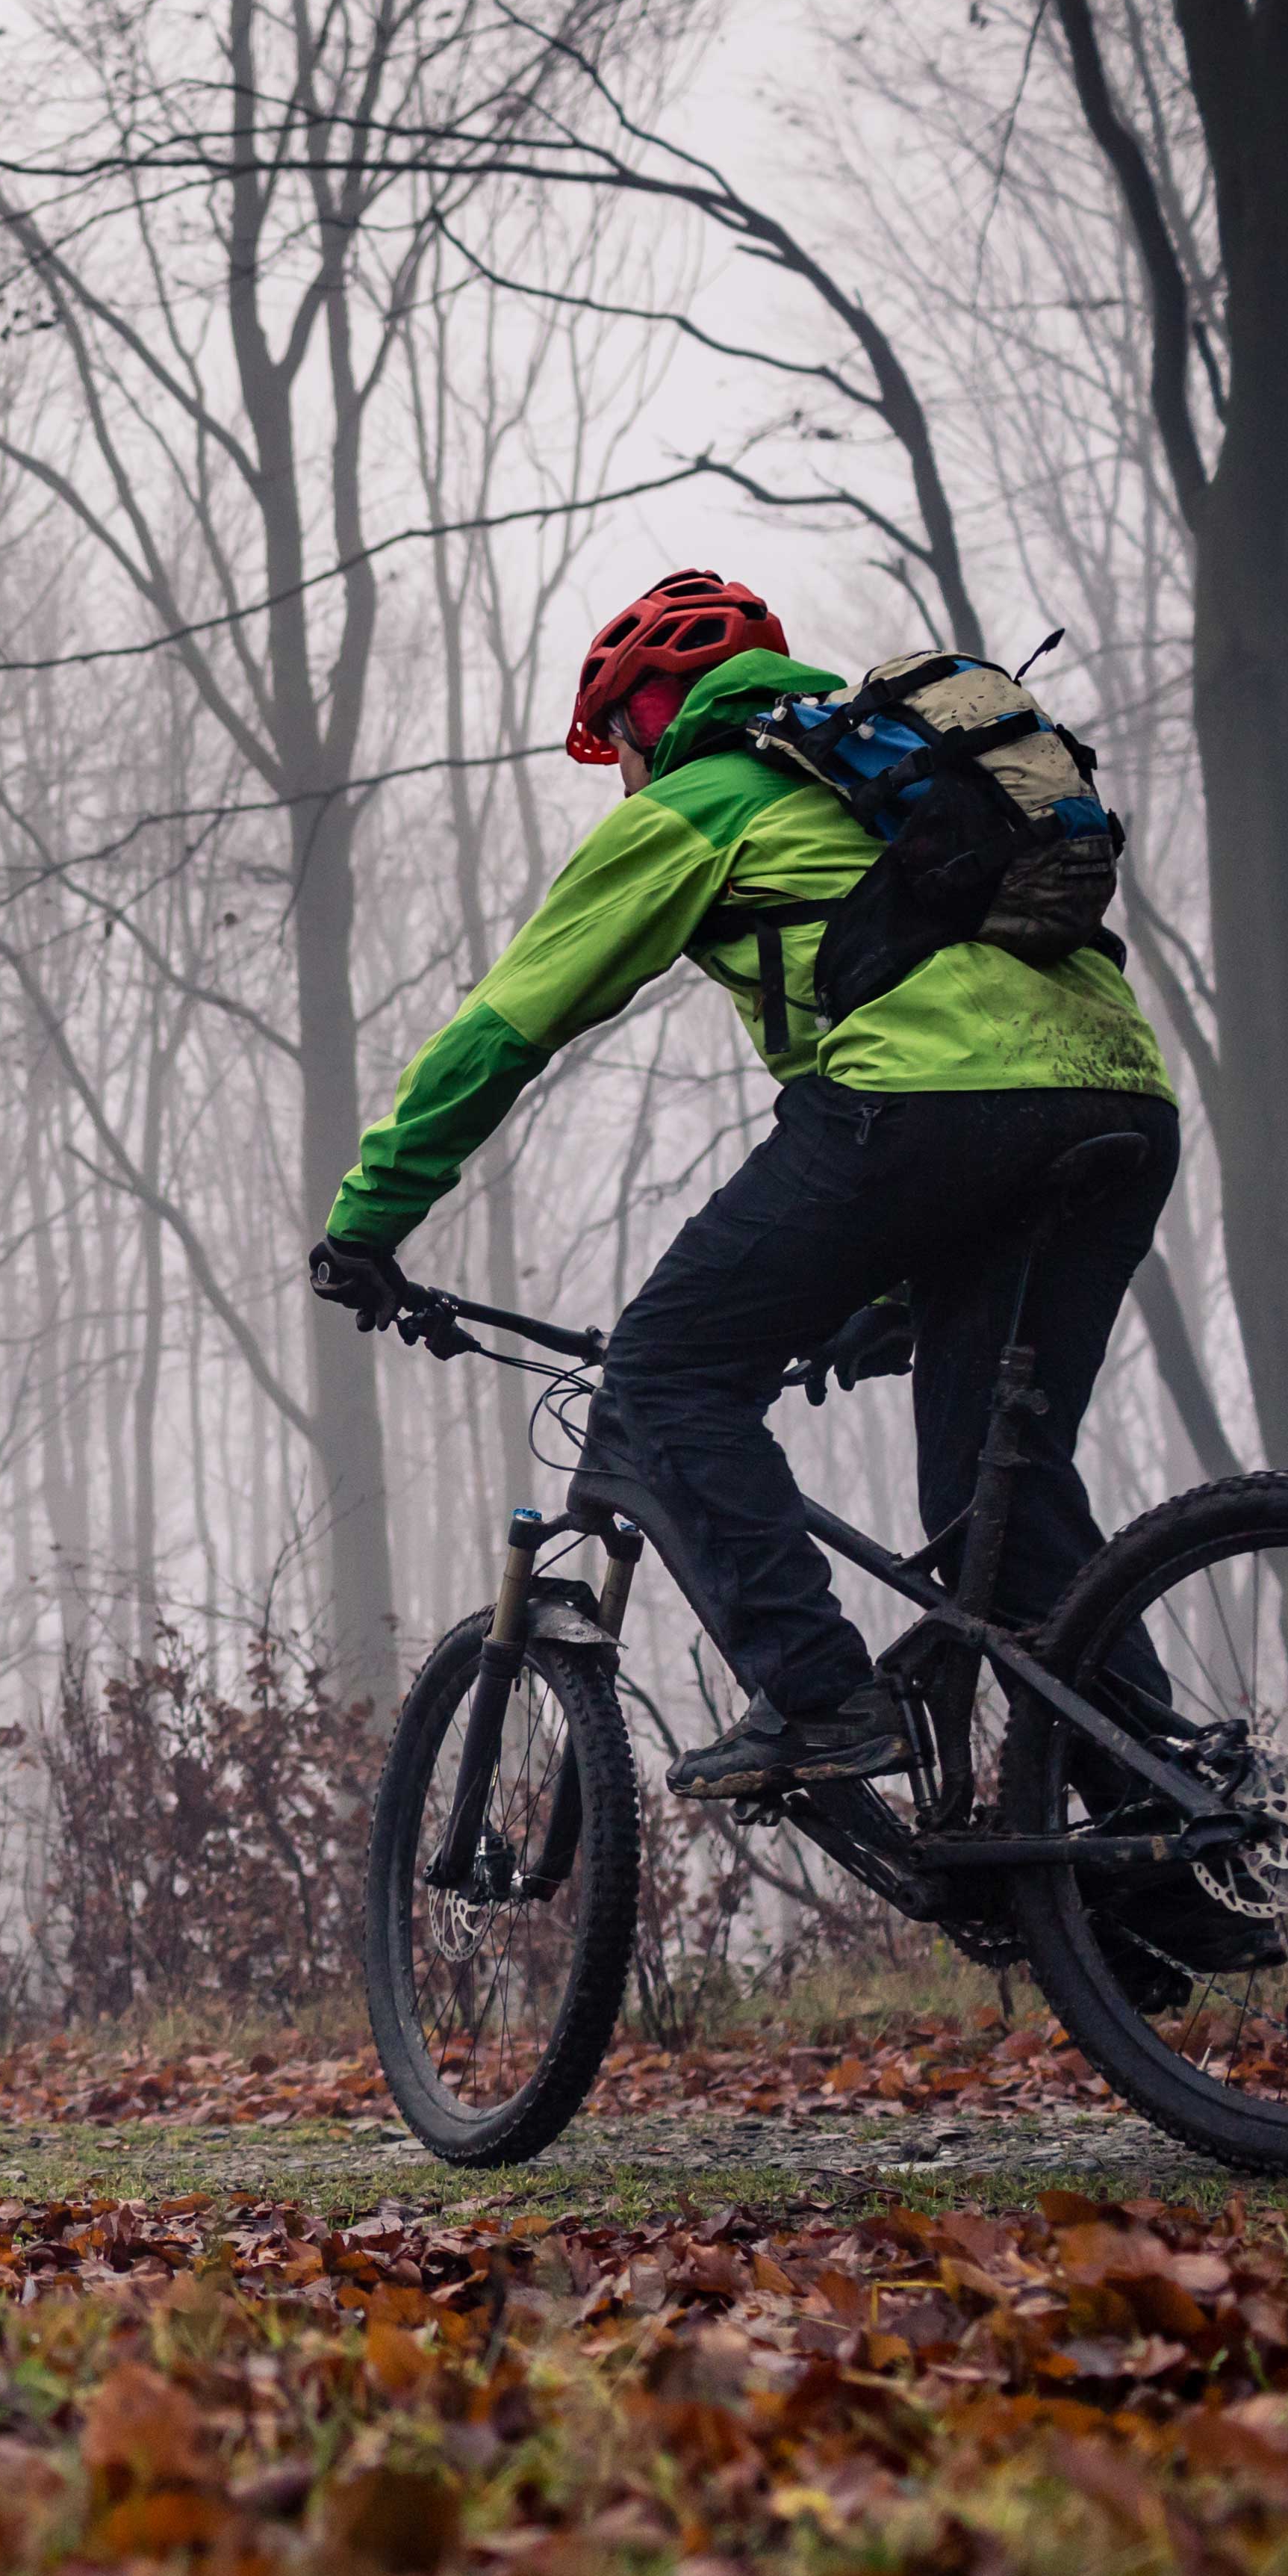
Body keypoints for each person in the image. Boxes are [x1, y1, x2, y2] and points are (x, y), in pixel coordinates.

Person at [305, 572, 1178, 1798]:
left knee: (664, 1380)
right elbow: (985, 1040)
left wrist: (369, 1217)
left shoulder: (705, 798)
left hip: (925, 1106)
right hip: (1122, 1098)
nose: (619, 771)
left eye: (614, 742)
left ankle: (821, 1700)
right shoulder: (889, 797)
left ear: (650, 708)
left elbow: (506, 1026)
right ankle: (1175, 1849)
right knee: (1001, 1492)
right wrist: (895, 1288)